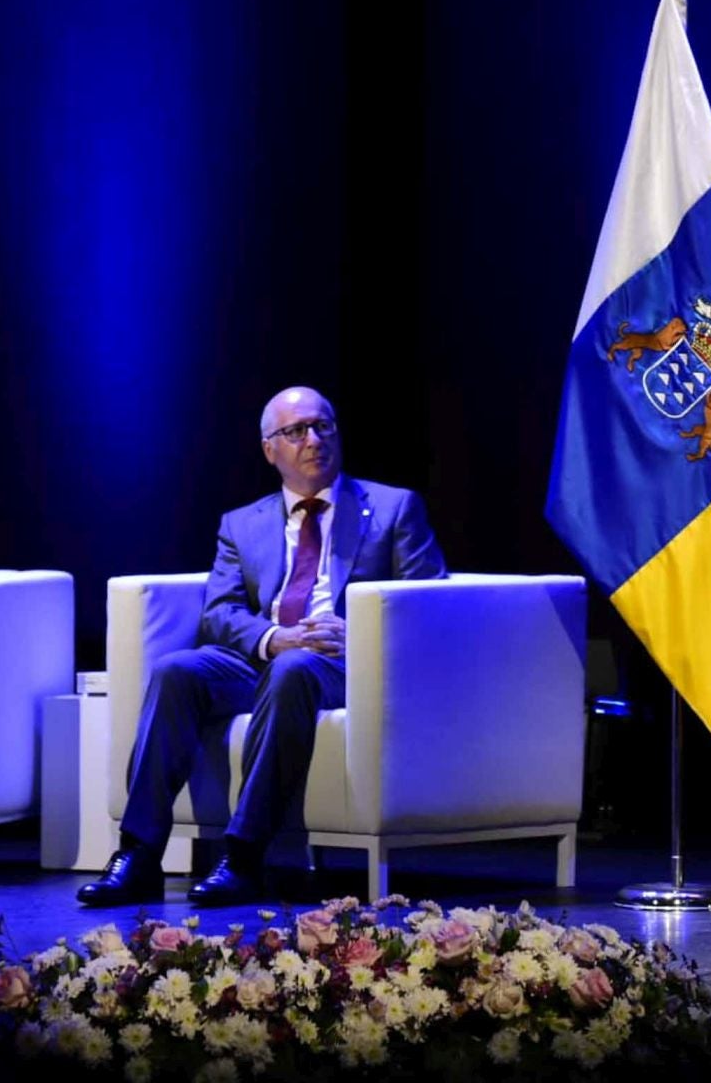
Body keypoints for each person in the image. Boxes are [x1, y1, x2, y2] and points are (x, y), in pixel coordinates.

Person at [77, 386, 446, 908]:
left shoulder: (392, 509)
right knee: (176, 671)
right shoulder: (242, 523)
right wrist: (273, 638)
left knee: (295, 668)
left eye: (324, 426)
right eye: (296, 432)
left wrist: (359, 630)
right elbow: (219, 612)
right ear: (270, 448)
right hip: (264, 659)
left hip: (344, 668)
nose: (313, 439)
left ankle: (245, 855)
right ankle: (137, 854)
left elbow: (428, 605)